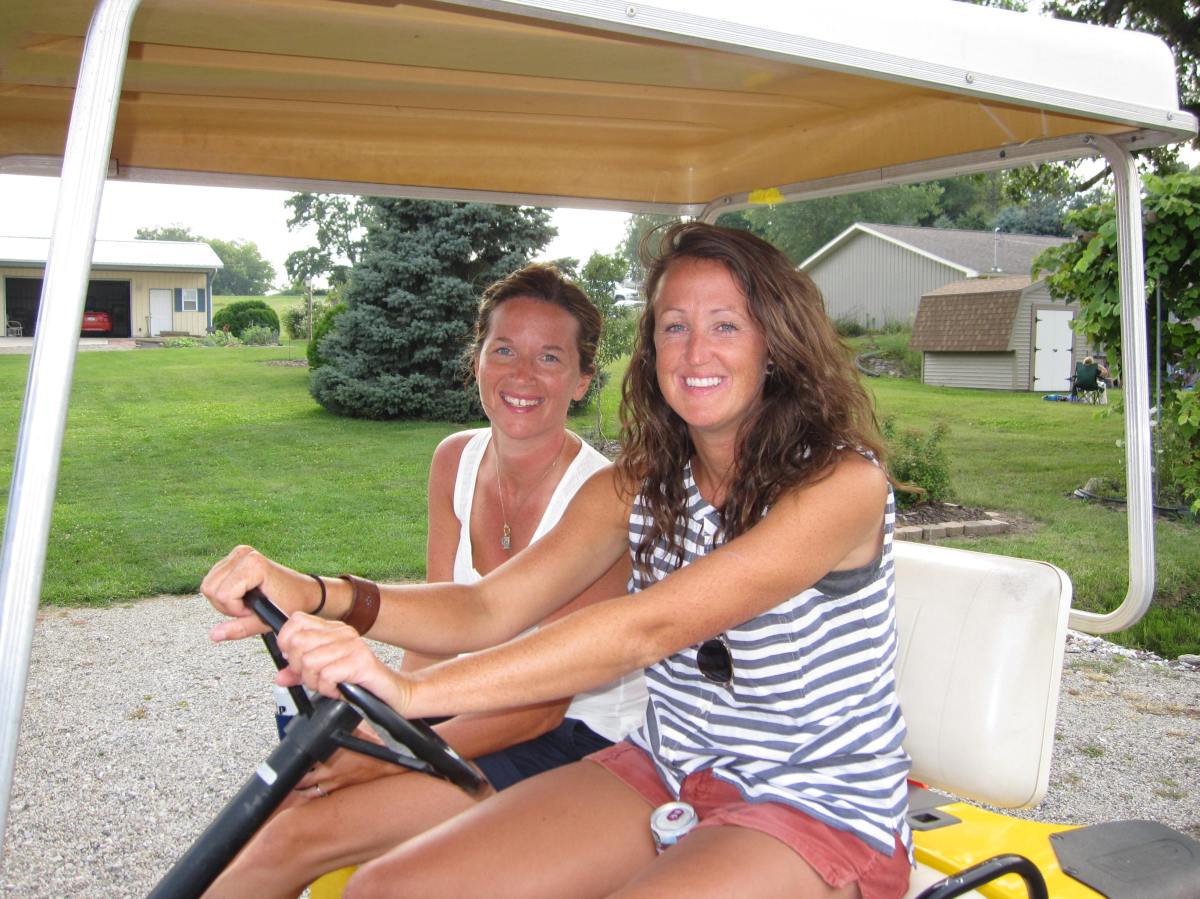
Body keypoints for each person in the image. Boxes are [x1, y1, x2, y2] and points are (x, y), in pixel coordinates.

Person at [205, 223, 912, 899]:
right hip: (666, 768)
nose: (696, 352)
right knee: (386, 888)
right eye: (674, 327)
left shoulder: (841, 485)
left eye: (726, 325)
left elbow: (646, 629)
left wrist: (411, 695)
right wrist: (316, 592)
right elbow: (487, 606)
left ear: (775, 344)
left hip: (811, 799)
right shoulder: (638, 484)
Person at [201, 263, 647, 898]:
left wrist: (391, 754)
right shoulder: (455, 459)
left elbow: (543, 704)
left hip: (572, 737)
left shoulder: (601, 498)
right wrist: (384, 727)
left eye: (549, 357)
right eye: (504, 350)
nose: (522, 375)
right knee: (277, 807)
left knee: (295, 837)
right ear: (476, 360)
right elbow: (437, 638)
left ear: (581, 380)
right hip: (471, 709)